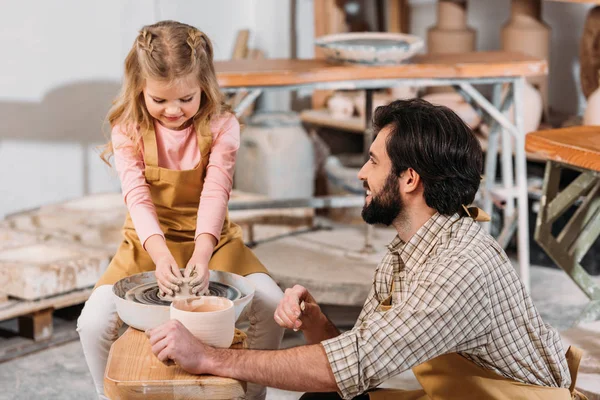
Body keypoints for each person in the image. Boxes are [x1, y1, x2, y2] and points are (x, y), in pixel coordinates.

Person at [147, 98, 586, 400]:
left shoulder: (459, 268)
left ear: (410, 179)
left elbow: (350, 367)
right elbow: (355, 366)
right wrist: (316, 322)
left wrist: (208, 357)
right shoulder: (409, 250)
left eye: (374, 161)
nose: (361, 173)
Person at [76, 20, 283, 400]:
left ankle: (253, 393)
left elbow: (215, 192)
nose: (174, 110)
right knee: (91, 322)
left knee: (271, 304)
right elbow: (136, 197)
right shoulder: (129, 129)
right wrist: (159, 253)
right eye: (160, 100)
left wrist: (203, 254)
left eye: (187, 99)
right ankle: (107, 395)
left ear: (205, 85)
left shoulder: (222, 124)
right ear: (139, 89)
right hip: (146, 242)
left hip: (214, 239)